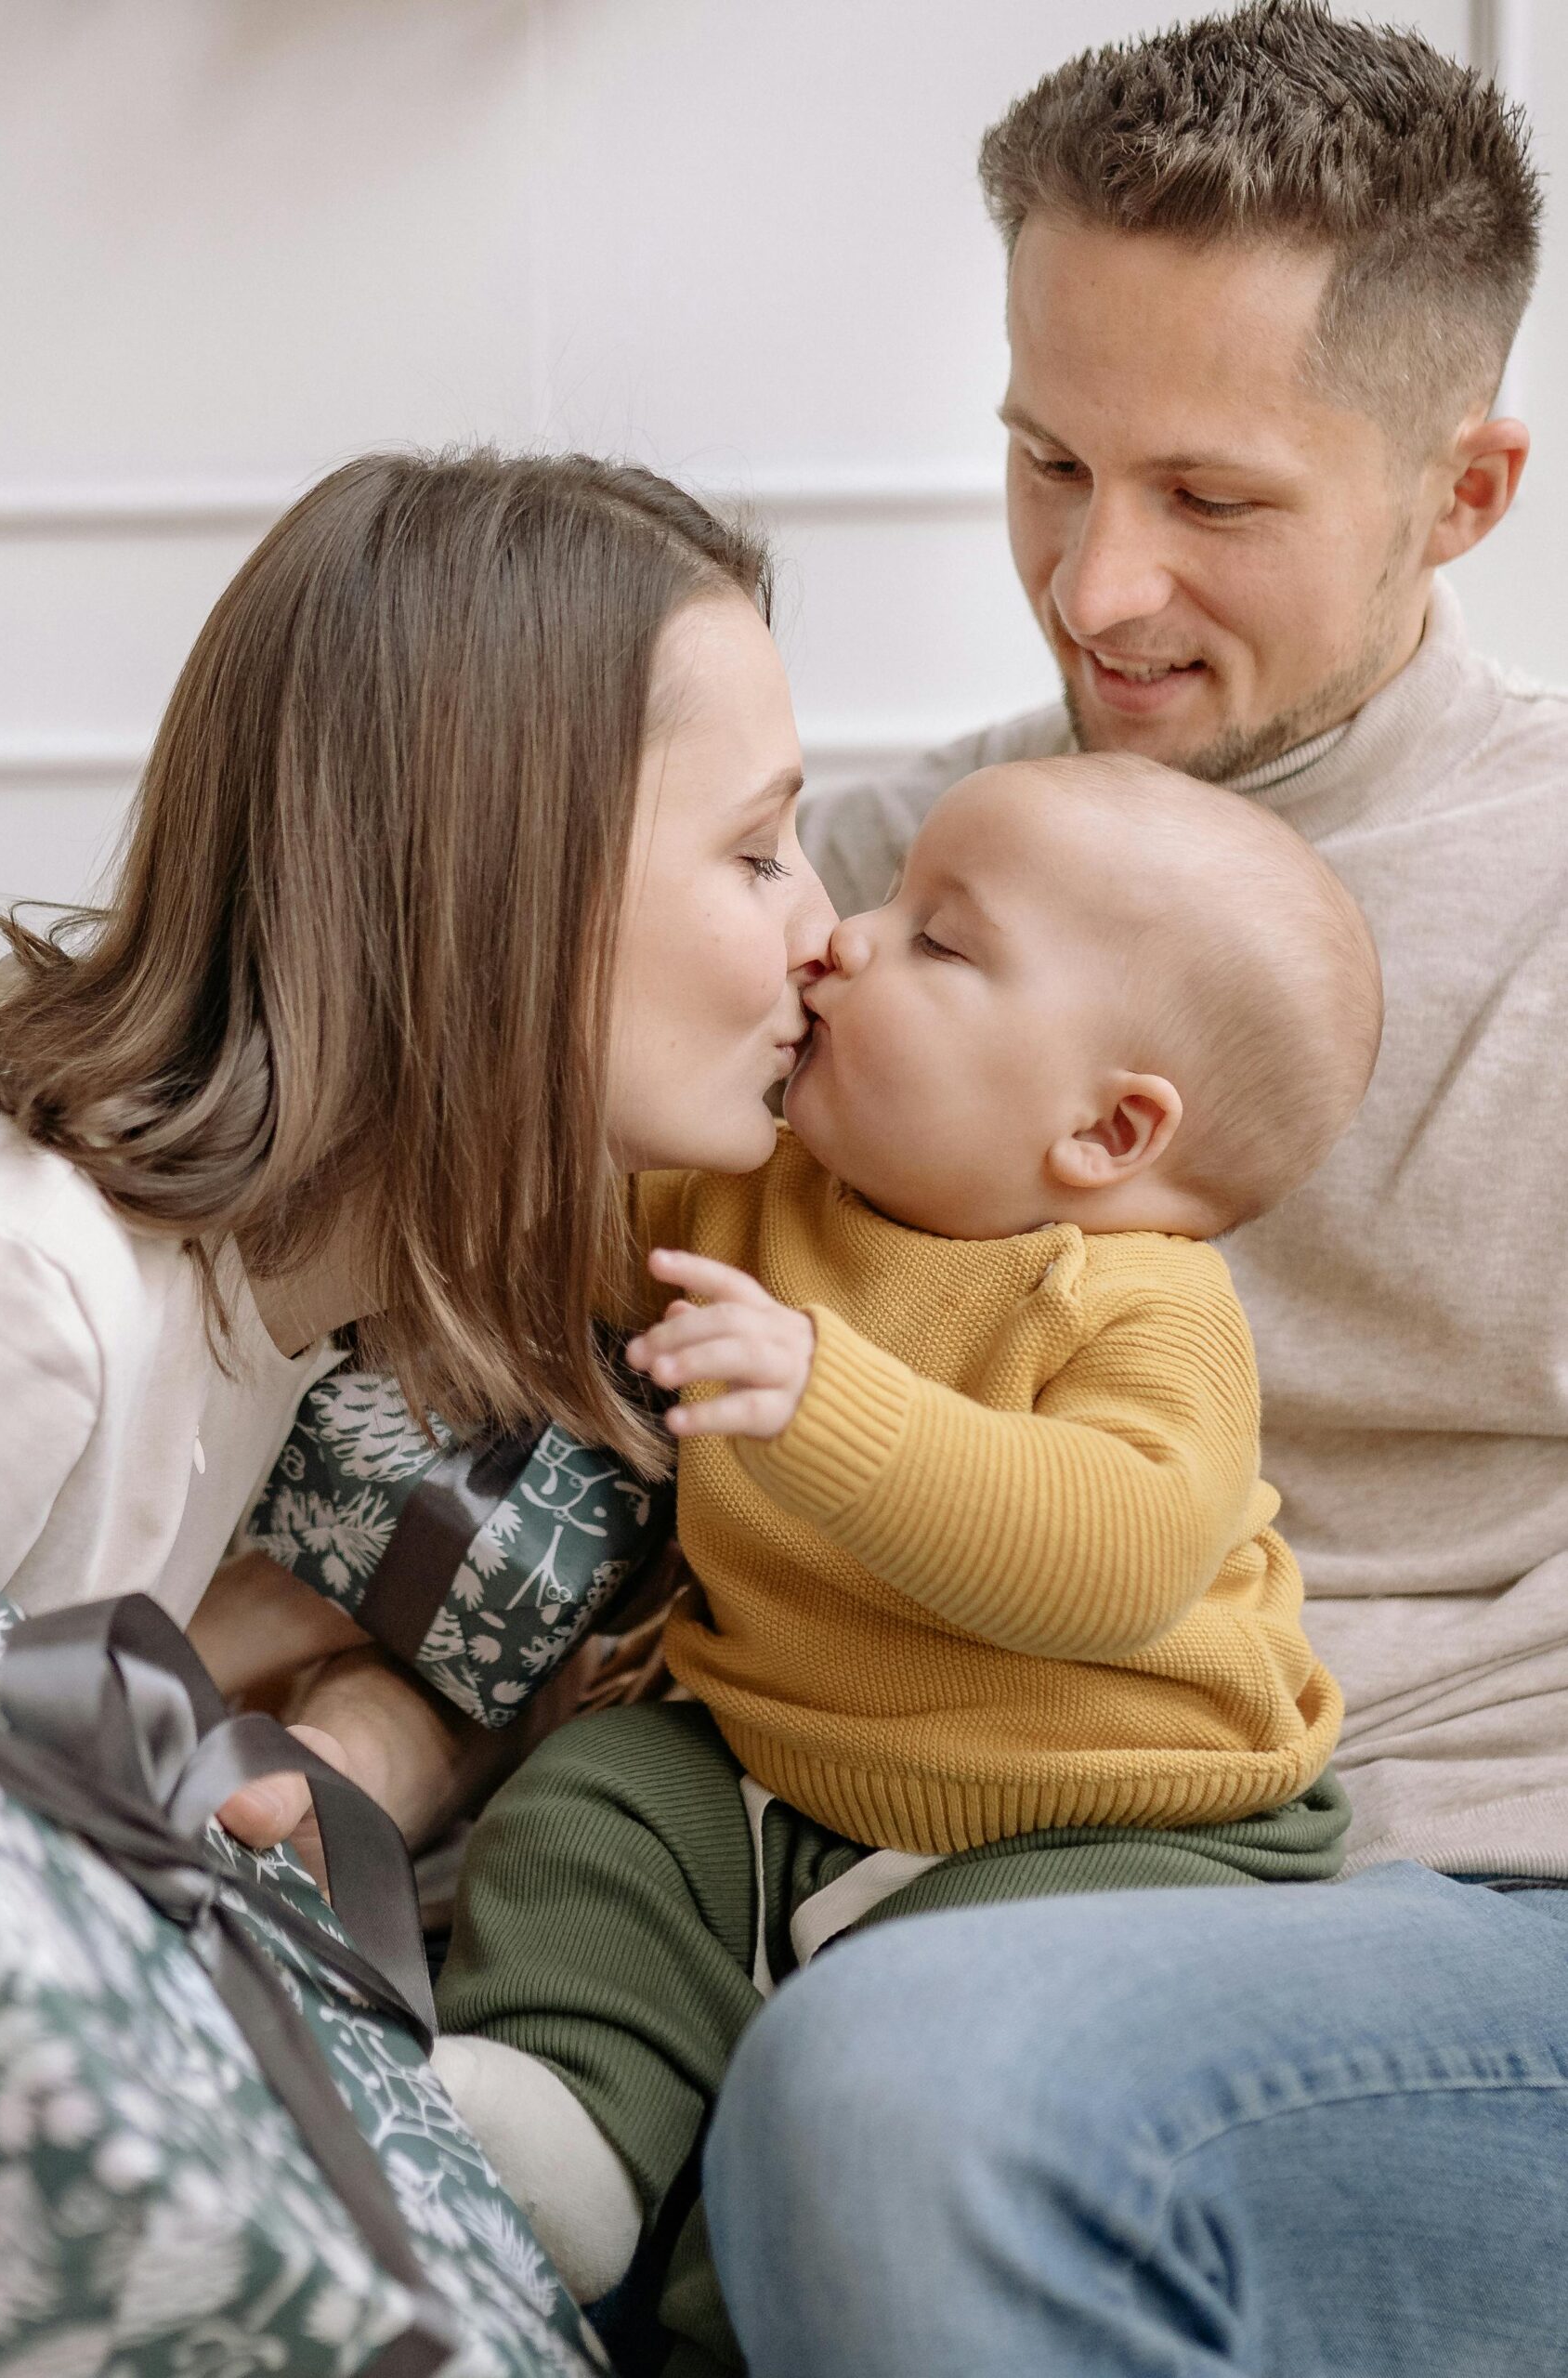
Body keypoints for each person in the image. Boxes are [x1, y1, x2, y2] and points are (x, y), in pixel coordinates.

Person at [699, 7, 1568, 2374]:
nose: (1093, 588)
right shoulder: (869, 883)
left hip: (1464, 1879)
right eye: (1041, 462)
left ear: (1458, 491)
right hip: (896, 1820)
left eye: (1210, 497)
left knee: (905, 2096)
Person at [429, 753, 1381, 2359]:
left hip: (1109, 1821)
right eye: (881, 901)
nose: (844, 940)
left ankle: (756, 2300)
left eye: (937, 941)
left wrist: (827, 1402)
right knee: (590, 1815)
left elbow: (1121, 1555)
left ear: (1108, 1127)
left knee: (924, 2056)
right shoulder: (747, 1193)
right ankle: (559, 2126)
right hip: (785, 1768)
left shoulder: (1135, 1300)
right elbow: (517, 1218)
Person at [0, 448, 833, 1851]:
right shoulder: (34, 1297)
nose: (827, 932)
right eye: (756, 855)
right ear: (502, 893)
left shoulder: (311, 1289)